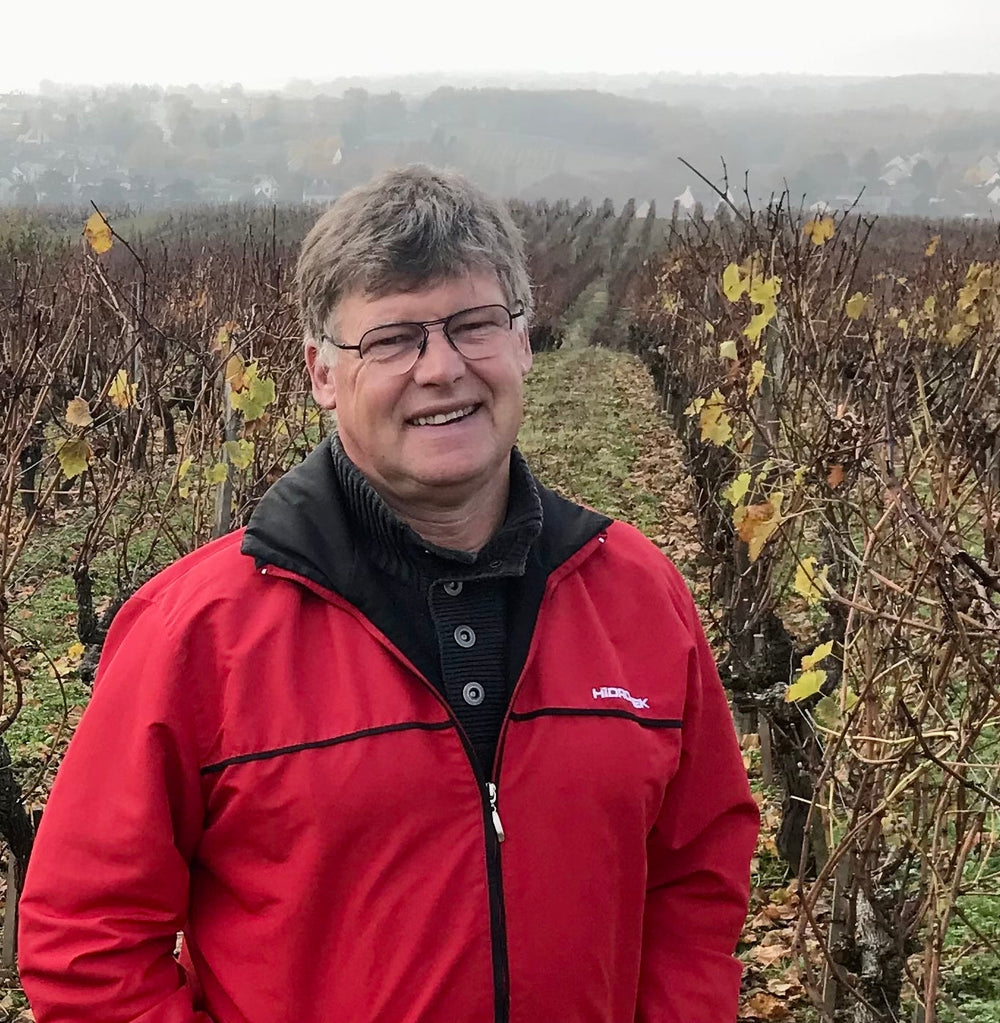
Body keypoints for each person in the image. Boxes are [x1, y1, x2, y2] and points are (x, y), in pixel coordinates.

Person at [18, 166, 759, 1023]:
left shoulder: (637, 591)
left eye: (474, 324)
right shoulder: (197, 630)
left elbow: (697, 874)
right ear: (321, 373)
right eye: (393, 339)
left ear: (524, 342)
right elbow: (86, 936)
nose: (442, 368)